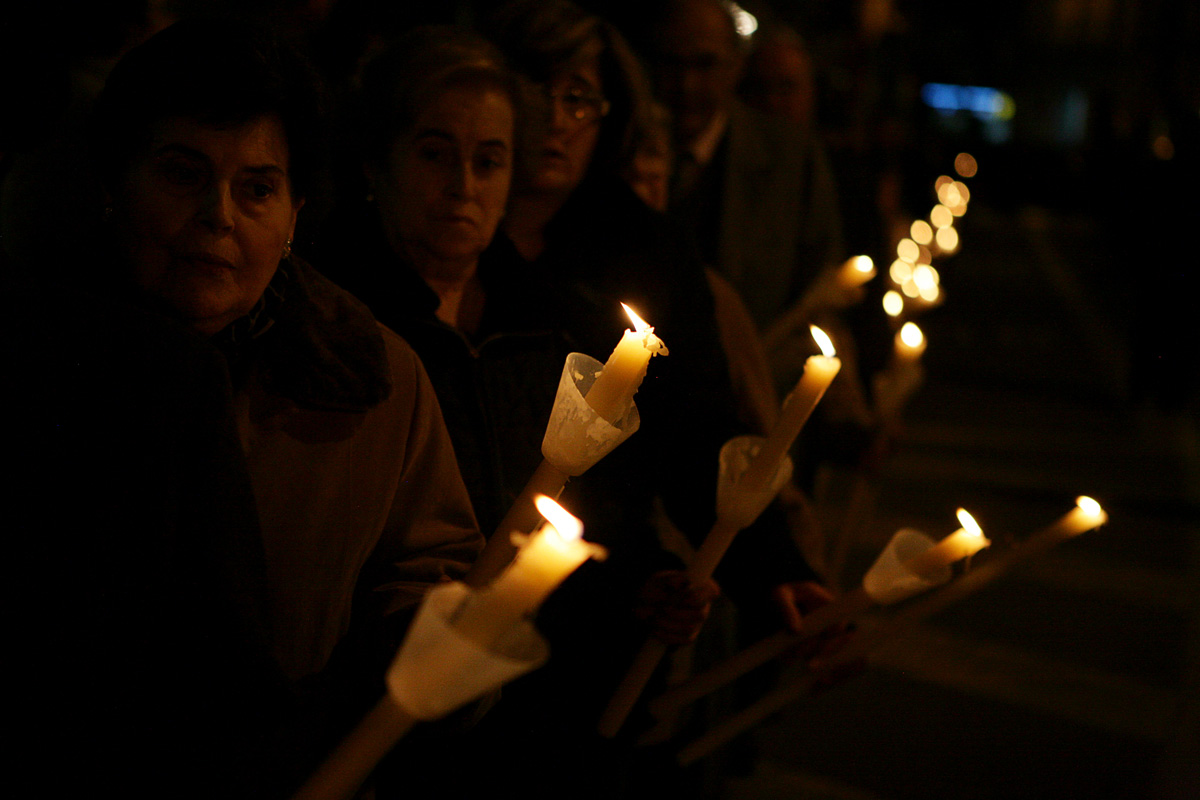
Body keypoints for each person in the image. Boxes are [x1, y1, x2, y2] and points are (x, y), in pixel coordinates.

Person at [88, 18, 483, 790]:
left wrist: (434, 637)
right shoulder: (51, 359)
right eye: (182, 173)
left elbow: (424, 560)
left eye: (257, 189)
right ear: (113, 183)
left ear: (297, 215)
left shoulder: (369, 380)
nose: (219, 215)